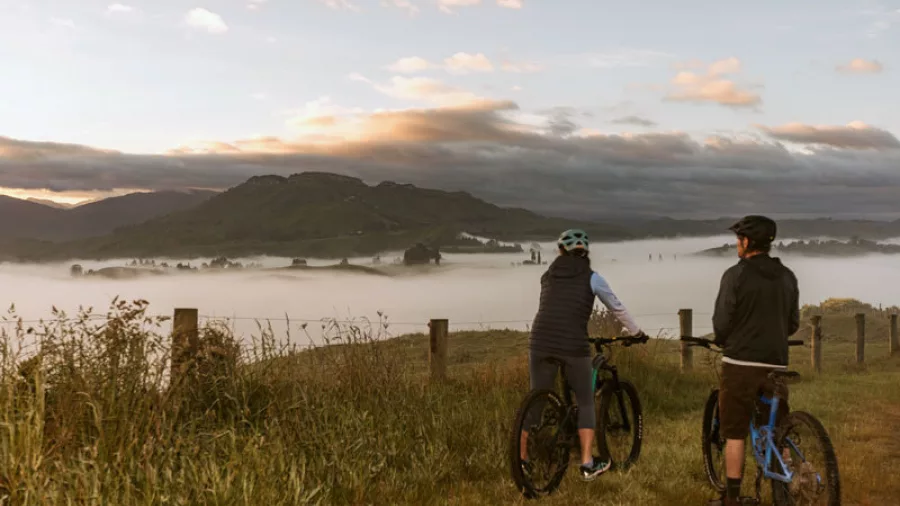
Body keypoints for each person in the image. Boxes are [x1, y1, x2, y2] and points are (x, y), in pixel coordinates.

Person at [520, 228, 646, 481]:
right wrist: (637, 332)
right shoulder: (592, 278)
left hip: (540, 341)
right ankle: (588, 464)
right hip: (572, 344)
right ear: (585, 252)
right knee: (586, 400)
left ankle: (521, 459)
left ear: (561, 251)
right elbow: (616, 307)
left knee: (536, 400)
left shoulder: (547, 276)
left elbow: (555, 306)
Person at [708, 215, 800, 506]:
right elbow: (793, 323)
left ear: (747, 242)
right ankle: (789, 482)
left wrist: (722, 338)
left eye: (739, 239)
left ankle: (732, 498)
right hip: (776, 362)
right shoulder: (788, 276)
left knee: (735, 432)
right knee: (778, 427)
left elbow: (722, 323)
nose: (737, 244)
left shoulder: (734, 275)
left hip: (740, 363)